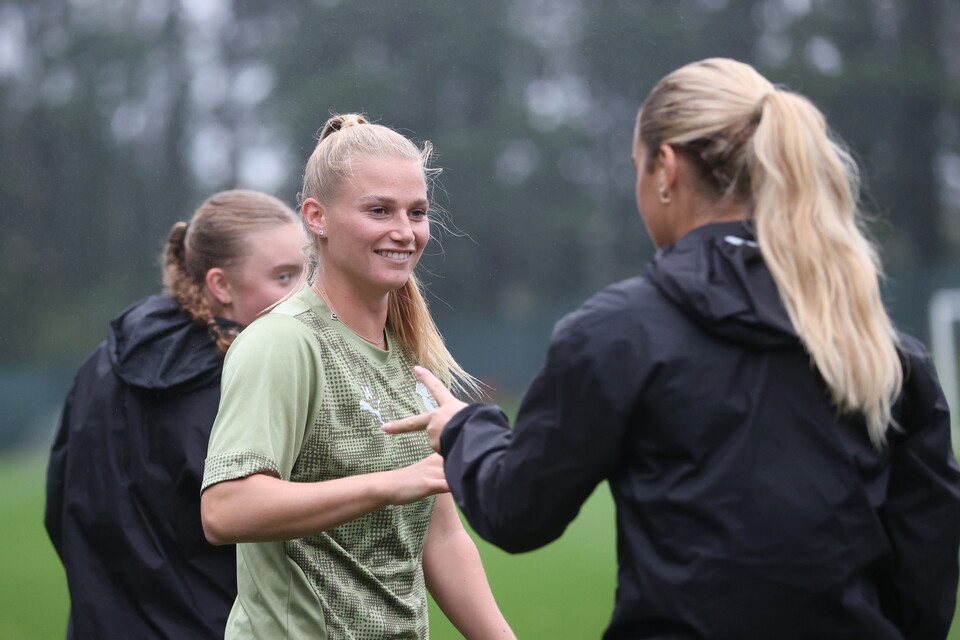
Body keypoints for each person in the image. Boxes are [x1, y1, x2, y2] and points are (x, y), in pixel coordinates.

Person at [383, 58, 960, 639]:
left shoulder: (616, 333)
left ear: (665, 168)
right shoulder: (884, 350)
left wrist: (464, 428)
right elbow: (927, 570)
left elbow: (518, 510)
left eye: (636, 167)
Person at [199, 114, 514, 639]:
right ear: (317, 217)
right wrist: (388, 485)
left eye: (417, 212)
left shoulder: (411, 352)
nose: (404, 231)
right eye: (379, 210)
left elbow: (440, 537)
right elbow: (226, 509)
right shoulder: (284, 342)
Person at [45, 189, 305, 639]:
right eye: (284, 277)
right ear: (219, 285)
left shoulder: (98, 365)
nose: (305, 294)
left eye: (307, 273)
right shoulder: (245, 380)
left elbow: (59, 512)